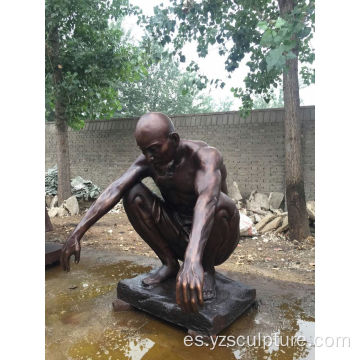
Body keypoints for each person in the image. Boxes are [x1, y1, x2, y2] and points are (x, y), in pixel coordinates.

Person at [61, 112, 240, 313]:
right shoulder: (150, 161)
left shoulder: (205, 157)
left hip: (214, 241)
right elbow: (115, 188)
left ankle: (205, 271)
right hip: (178, 232)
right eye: (144, 151)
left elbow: (207, 201)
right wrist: (77, 233)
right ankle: (170, 264)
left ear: (174, 139)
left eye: (154, 149)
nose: (149, 157)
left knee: (221, 204)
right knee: (133, 194)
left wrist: (192, 260)